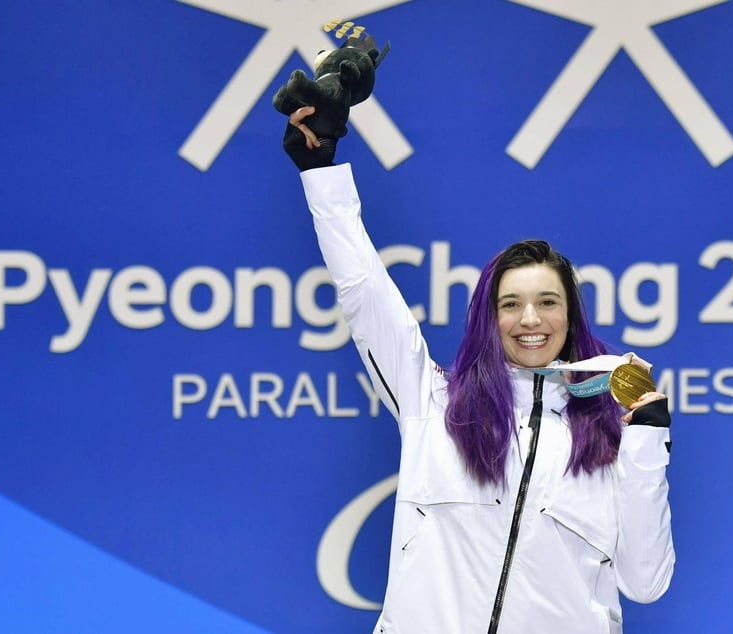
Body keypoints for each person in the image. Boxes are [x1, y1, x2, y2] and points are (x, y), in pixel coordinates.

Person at [284, 105, 675, 634]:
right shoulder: (432, 400)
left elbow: (645, 582)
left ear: (571, 315)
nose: (529, 319)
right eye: (509, 303)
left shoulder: (604, 437)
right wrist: (322, 174)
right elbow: (364, 291)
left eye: (547, 302)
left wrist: (647, 445)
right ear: (487, 316)